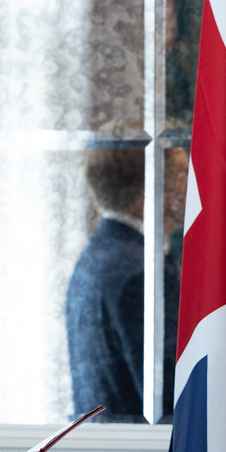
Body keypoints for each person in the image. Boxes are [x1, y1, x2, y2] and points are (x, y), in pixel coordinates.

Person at [65, 147, 187, 423]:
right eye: (183, 174)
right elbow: (169, 396)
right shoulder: (141, 272)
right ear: (153, 189)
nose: (194, 184)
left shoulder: (97, 255)